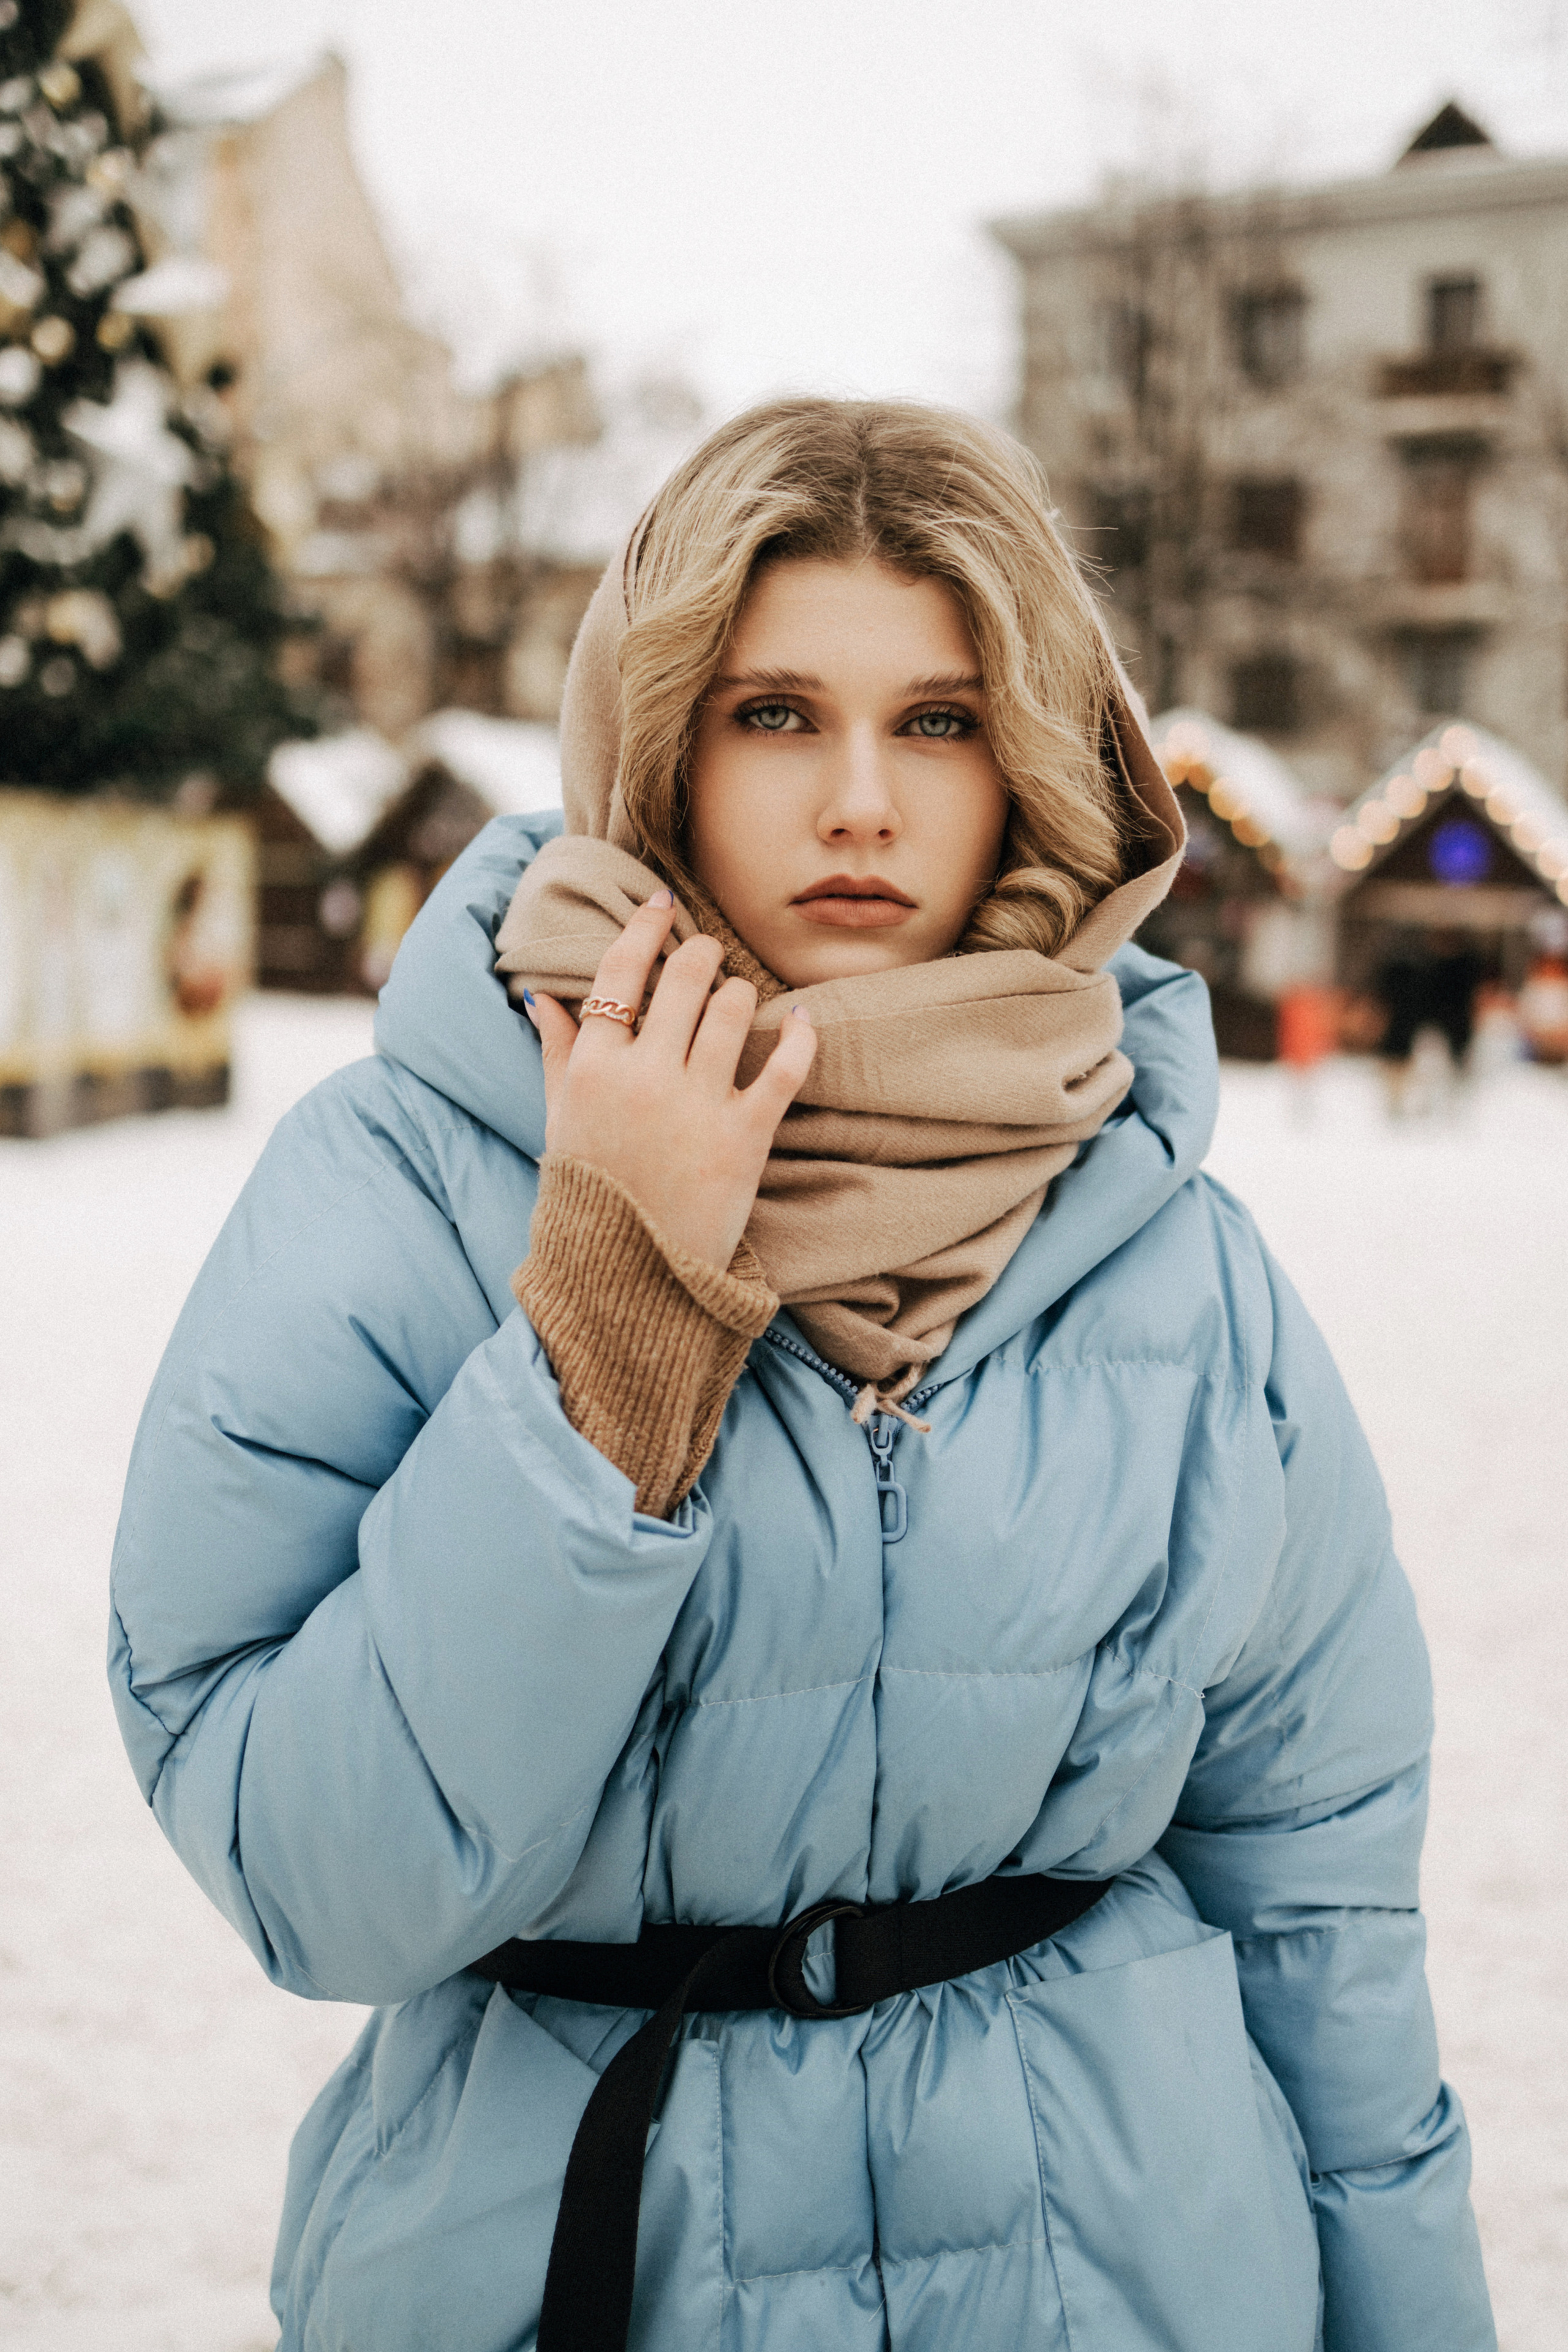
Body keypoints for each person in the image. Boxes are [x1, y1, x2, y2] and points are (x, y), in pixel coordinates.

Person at [110, 401, 1494, 2352]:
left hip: (1136, 2270)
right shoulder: (406, 1177)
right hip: (587, 2267)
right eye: (777, 714)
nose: (863, 802)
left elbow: (1324, 1905)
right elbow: (310, 1874)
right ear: (660, 735)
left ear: (1031, 759)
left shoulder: (1175, 1248)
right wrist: (617, 1311)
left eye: (937, 720)